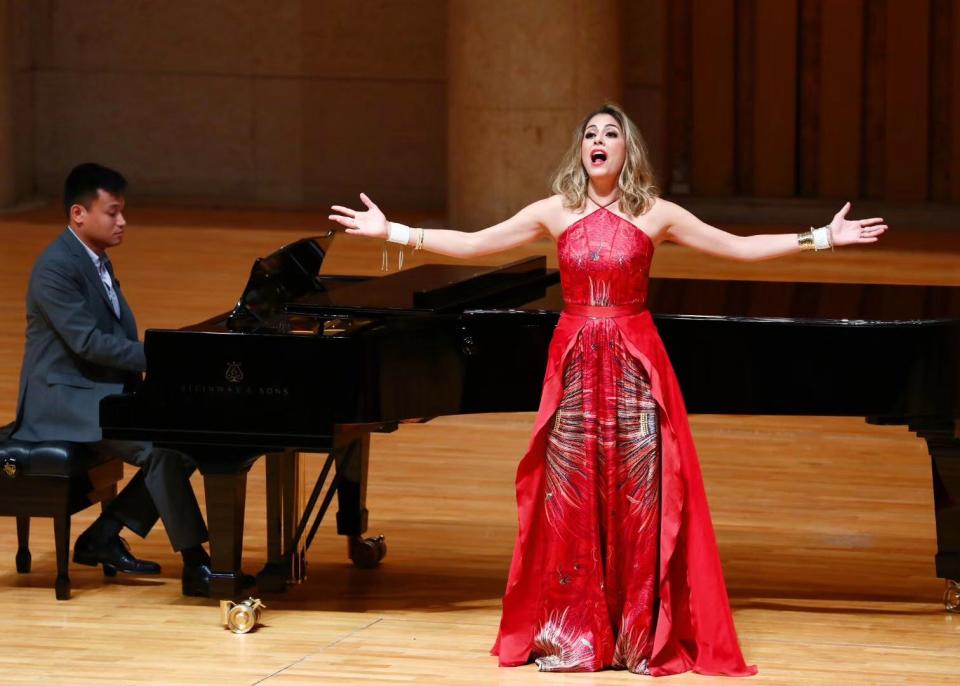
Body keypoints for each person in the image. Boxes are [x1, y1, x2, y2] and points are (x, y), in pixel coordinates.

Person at [329, 104, 886, 676]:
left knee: (639, 500)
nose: (599, 140)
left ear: (627, 150)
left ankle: (637, 636)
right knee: (570, 499)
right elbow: (476, 244)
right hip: (574, 368)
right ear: (582, 150)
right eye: (590, 134)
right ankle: (577, 634)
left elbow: (739, 248)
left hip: (635, 372)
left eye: (610, 133)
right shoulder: (556, 210)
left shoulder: (657, 214)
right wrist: (392, 231)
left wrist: (823, 237)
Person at [7, 163, 215, 596]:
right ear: (79, 214)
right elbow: (87, 342)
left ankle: (104, 534)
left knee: (188, 441)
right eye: (113, 212)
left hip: (99, 393)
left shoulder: (94, 260)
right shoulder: (55, 268)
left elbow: (113, 336)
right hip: (62, 404)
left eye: (122, 212)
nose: (122, 222)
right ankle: (197, 564)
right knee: (162, 450)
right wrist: (164, 358)